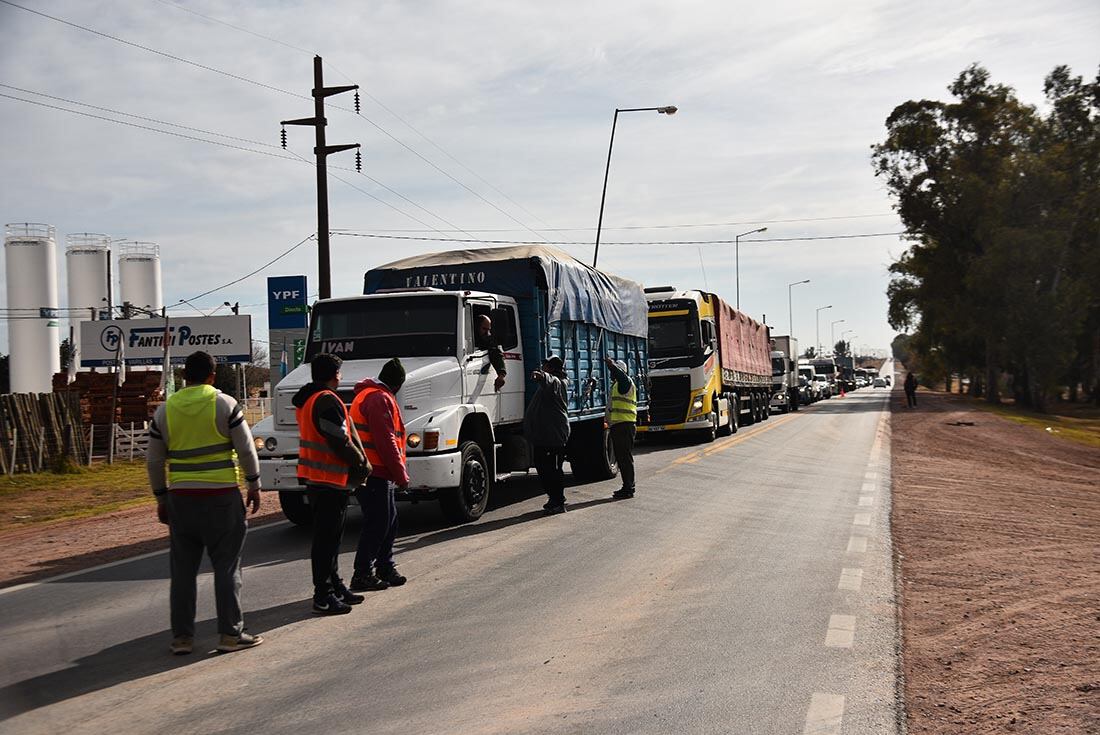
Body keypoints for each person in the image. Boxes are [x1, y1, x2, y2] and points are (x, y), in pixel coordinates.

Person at [147, 350, 264, 655]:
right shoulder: (224, 403)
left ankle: (182, 638)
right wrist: (254, 484)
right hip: (221, 498)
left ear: (185, 376)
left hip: (181, 500)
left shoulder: (165, 410)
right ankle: (230, 635)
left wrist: (161, 497)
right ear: (212, 376)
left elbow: (154, 461)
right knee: (227, 568)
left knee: (183, 571)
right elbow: (247, 450)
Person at [293, 353, 371, 615]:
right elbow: (339, 439)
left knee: (331, 540)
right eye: (339, 371)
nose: (341, 375)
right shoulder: (326, 400)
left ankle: (335, 586)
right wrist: (361, 462)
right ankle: (323, 595)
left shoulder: (309, 399)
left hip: (318, 478)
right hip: (328, 479)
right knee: (326, 541)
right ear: (334, 374)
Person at [349, 358, 410, 591]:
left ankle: (385, 566)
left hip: (374, 471)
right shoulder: (379, 398)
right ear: (397, 384)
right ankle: (363, 572)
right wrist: (401, 474)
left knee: (389, 520)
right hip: (373, 471)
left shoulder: (370, 395)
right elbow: (386, 441)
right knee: (379, 522)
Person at [524, 355, 570, 514]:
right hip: (543, 437)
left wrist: (542, 376)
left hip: (554, 437)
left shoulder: (559, 383)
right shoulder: (548, 386)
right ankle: (553, 498)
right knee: (543, 468)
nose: (543, 367)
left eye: (545, 366)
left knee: (553, 470)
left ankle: (559, 501)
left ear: (551, 369)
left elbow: (551, 381)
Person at [604, 356, 637, 499]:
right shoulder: (617, 385)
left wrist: (612, 366)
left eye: (613, 372)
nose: (611, 375)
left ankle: (629, 487)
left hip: (625, 426)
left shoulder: (625, 383)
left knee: (625, 459)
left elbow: (620, 375)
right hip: (619, 426)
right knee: (622, 458)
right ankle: (627, 486)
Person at [475, 314, 507, 392]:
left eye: (489, 330)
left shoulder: (488, 340)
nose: (487, 333)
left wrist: (501, 375)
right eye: (484, 329)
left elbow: (496, 354)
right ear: (476, 328)